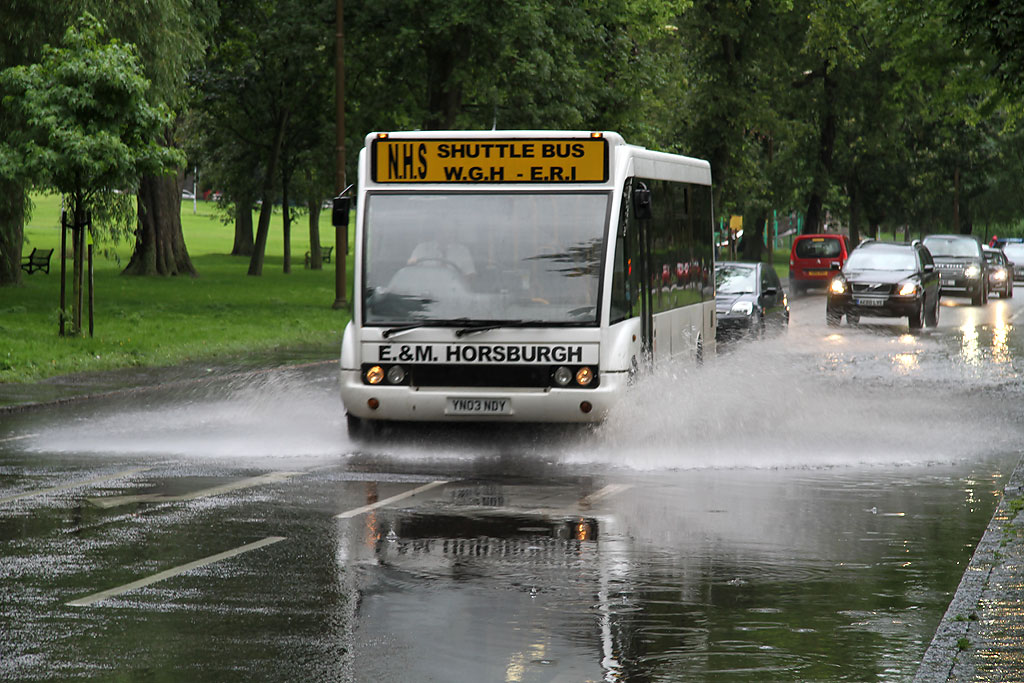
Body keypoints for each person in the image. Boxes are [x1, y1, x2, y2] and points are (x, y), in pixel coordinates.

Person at [408, 240, 476, 276]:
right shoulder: (421, 248)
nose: (444, 231)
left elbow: (470, 275)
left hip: (454, 295)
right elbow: (410, 270)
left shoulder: (462, 251)